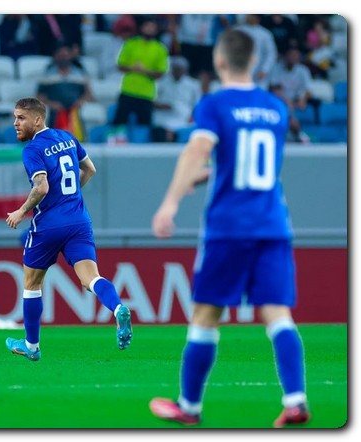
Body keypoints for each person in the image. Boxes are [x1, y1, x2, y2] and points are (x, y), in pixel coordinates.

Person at [149, 28, 310, 428]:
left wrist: (171, 200)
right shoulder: (275, 108)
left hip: (229, 227)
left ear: (219, 61)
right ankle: (295, 399)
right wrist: (206, 177)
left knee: (205, 314)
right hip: (273, 223)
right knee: (277, 314)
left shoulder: (214, 104)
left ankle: (189, 407)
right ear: (254, 62)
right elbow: (248, 164)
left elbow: (199, 148)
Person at [4, 97, 132, 361]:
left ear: (37, 119)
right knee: (90, 279)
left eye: (20, 118)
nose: (15, 123)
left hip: (49, 226)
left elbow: (41, 187)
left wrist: (20, 211)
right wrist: (68, 198)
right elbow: (90, 169)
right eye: (15, 117)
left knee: (32, 284)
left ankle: (31, 345)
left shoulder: (32, 150)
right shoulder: (67, 137)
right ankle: (118, 307)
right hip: (79, 221)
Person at [111, 17, 169, 140]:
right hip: (127, 90)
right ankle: (115, 145)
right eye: (147, 26)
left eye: (152, 28)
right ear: (142, 28)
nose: (149, 29)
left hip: (146, 94)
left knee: (144, 125)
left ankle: (142, 148)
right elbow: (120, 65)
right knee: (119, 122)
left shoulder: (160, 49)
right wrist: (133, 68)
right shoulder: (130, 44)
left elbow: (160, 73)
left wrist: (145, 71)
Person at [36, 43, 93, 139]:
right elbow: (39, 95)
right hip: (56, 110)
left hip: (75, 110)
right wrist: (52, 104)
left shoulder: (79, 73)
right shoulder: (48, 74)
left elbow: (88, 94)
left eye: (66, 56)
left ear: (70, 56)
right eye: (61, 56)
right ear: (55, 57)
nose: (64, 58)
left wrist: (80, 101)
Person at [152, 56, 201, 142]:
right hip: (163, 118)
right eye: (175, 68)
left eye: (180, 69)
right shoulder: (161, 82)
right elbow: (152, 101)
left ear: (185, 70)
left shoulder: (192, 84)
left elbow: (197, 103)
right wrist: (161, 105)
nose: (177, 71)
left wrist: (193, 115)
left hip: (183, 118)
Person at [269, 46, 313, 143]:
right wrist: (287, 102)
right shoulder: (276, 68)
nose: (293, 58)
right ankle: (299, 134)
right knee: (287, 110)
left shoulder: (303, 70)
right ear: (285, 57)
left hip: (296, 101)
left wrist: (303, 100)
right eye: (291, 55)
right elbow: (275, 90)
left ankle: (298, 135)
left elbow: (308, 90)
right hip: (280, 101)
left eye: (295, 56)